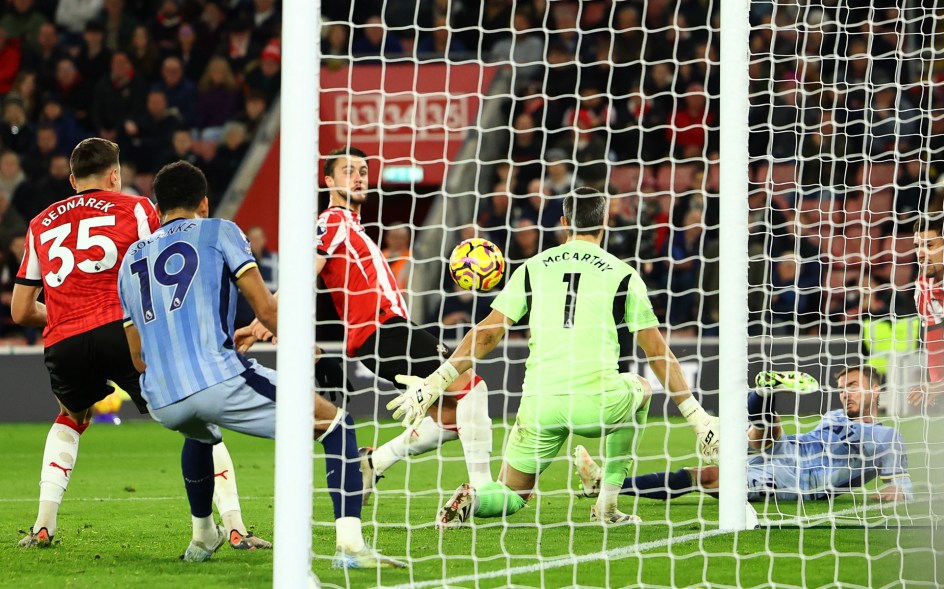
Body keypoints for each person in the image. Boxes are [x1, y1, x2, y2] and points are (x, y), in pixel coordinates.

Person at [117, 161, 403, 567]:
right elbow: (267, 308)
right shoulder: (219, 230)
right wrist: (306, 350)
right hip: (217, 378)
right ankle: (351, 547)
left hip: (161, 397)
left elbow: (137, 356)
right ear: (204, 201)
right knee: (337, 426)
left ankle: (202, 538)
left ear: (156, 206)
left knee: (199, 435)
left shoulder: (130, 258)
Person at [389, 187, 720, 527]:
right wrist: (697, 419)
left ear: (563, 223)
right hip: (598, 404)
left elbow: (487, 333)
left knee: (512, 493)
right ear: (604, 223)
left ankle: (476, 498)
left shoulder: (532, 268)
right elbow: (656, 352)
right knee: (640, 388)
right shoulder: (623, 274)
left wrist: (435, 382)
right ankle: (606, 506)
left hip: (540, 404)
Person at [11, 139, 265, 550]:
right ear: (115, 175)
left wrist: (66, 316)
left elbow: (22, 310)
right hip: (123, 331)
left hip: (65, 342)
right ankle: (232, 527)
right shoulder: (136, 208)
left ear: (72, 179)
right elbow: (158, 263)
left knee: (71, 418)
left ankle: (43, 524)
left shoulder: (40, 222)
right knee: (198, 418)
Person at [236, 146, 495, 499]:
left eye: (363, 170)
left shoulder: (352, 225)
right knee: (471, 387)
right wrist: (267, 315)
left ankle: (374, 464)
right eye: (348, 170)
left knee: (450, 417)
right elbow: (304, 272)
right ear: (328, 180)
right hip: (383, 331)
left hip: (383, 334)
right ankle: (483, 491)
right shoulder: (333, 221)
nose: (358, 177)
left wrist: (268, 316)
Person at [582, 368, 913, 503]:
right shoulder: (833, 415)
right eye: (841, 388)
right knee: (765, 432)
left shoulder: (887, 436)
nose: (845, 394)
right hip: (787, 449)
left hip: (801, 478)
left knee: (706, 476)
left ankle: (605, 484)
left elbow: (901, 483)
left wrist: (896, 492)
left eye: (853, 386)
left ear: (876, 389)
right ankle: (765, 393)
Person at [909, 213, 944, 410]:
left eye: (929, 246)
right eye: (917, 247)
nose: (921, 254)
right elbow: (935, 345)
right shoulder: (924, 289)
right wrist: (937, 386)